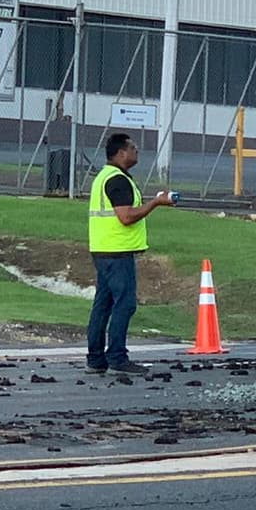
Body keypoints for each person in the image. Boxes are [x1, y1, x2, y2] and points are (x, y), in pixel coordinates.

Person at [86, 132, 174, 375]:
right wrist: (155, 204)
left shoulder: (105, 176)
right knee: (124, 304)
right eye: (133, 148)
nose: (136, 152)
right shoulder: (117, 180)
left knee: (102, 305)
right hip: (117, 251)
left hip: (103, 248)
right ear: (121, 152)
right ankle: (116, 357)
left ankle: (95, 359)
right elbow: (125, 217)